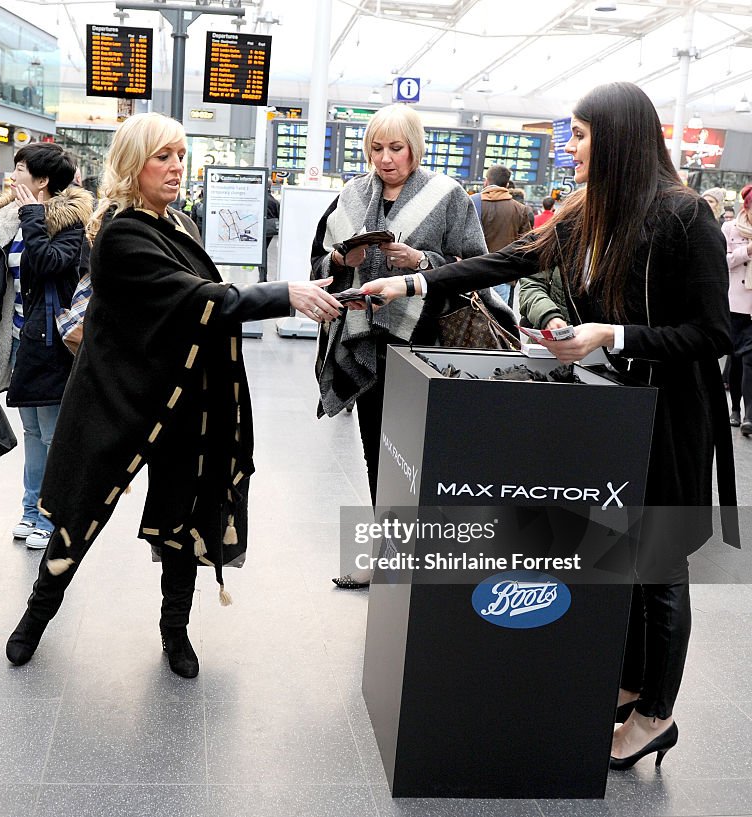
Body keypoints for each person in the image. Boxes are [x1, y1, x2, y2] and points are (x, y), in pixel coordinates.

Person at [360, 82, 737, 770]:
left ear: (619, 139)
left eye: (581, 135)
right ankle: (628, 684)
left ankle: (656, 714)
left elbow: (710, 333)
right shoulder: (592, 211)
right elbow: (512, 261)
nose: (570, 147)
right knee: (622, 555)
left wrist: (610, 334)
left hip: (671, 415)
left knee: (660, 566)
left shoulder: (686, 220)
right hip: (616, 408)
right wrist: (413, 283)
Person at [3, 112, 342, 677]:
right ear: (133, 165)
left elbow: (199, 304)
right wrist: (287, 294)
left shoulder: (177, 222)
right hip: (120, 395)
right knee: (80, 510)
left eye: (181, 155)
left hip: (184, 394)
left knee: (185, 515)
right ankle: (35, 617)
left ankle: (175, 632)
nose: (176, 167)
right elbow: (200, 299)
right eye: (163, 157)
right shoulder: (121, 233)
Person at [308, 103, 494, 588]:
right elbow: (319, 269)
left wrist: (421, 259)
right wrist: (342, 256)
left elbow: (475, 267)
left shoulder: (448, 196)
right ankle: (386, 552)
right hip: (366, 341)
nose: (385, 159)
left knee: (427, 453)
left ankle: (431, 554)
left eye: (395, 147)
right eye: (376, 148)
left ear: (415, 147)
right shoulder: (352, 195)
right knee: (378, 449)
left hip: (426, 345)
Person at [0, 143, 92, 551]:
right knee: (30, 431)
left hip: (52, 342)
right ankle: (30, 511)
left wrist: (32, 216)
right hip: (19, 338)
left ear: (42, 181)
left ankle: (50, 513)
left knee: (50, 434)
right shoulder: (10, 219)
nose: (13, 175)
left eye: (21, 168)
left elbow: (46, 263)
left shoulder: (71, 224)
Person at [470, 164, 532, 304]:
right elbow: (525, 246)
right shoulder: (520, 210)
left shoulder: (472, 202)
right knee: (499, 320)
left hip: (473, 272)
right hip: (503, 275)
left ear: (486, 181)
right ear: (507, 184)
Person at [723, 184, 752, 434]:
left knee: (750, 359)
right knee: (735, 358)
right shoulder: (730, 228)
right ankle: (734, 408)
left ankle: (749, 416)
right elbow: (725, 261)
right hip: (736, 304)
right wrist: (748, 250)